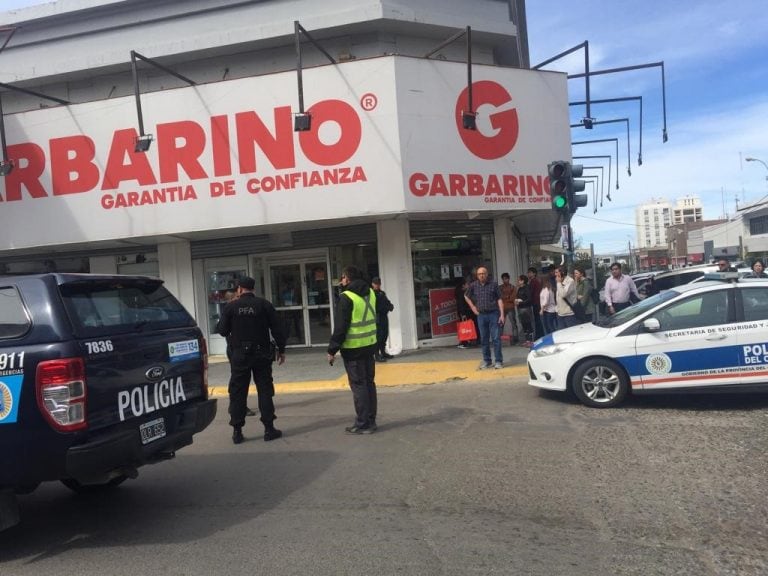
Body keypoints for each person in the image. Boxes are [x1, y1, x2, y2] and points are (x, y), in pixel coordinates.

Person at [216, 277, 286, 444]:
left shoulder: (231, 307)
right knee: (265, 390)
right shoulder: (264, 305)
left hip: (239, 355)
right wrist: (281, 350)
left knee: (238, 392)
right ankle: (269, 429)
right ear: (253, 289)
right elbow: (278, 329)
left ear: (240, 289)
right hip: (262, 354)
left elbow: (222, 330)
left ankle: (237, 431)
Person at [327, 265, 379, 434]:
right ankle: (371, 420)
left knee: (359, 386)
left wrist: (332, 349)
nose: (341, 281)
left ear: (347, 279)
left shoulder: (346, 297)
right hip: (370, 346)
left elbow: (341, 327)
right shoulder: (370, 292)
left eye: (342, 278)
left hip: (353, 349)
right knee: (369, 383)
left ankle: (363, 423)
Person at [465, 266, 504, 369]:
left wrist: (502, 314)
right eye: (479, 274)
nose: (481, 275)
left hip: (493, 314)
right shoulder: (474, 285)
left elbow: (499, 299)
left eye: (483, 273)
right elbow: (466, 296)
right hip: (481, 315)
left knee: (496, 338)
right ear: (477, 276)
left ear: (487, 274)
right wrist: (473, 307)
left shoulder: (494, 284)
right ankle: (487, 361)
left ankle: (498, 361)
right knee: (484, 339)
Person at [371, 276, 395, 361]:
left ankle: (383, 352)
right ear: (372, 284)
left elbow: (387, 302)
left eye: (379, 284)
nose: (378, 285)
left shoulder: (382, 293)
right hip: (377, 317)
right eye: (376, 284)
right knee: (379, 336)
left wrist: (390, 306)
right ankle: (377, 355)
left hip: (384, 316)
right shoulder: (371, 294)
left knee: (384, 334)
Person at [455, 277, 477, 349]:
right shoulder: (462, 293)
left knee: (466, 326)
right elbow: (461, 304)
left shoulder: (462, 292)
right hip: (465, 312)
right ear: (463, 285)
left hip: (465, 312)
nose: (468, 285)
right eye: (467, 284)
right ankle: (465, 341)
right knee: (466, 327)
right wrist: (463, 313)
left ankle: (466, 341)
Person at [499, 272, 519, 344]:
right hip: (503, 307)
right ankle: (499, 338)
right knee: (501, 323)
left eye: (506, 279)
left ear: (509, 279)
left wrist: (505, 297)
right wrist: (507, 297)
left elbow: (513, 297)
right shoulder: (500, 287)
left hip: (510, 307)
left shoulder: (512, 287)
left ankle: (515, 338)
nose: (505, 280)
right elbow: (499, 297)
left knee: (513, 323)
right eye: (503, 279)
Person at [515, 274, 534, 346]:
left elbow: (529, 299)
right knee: (524, 324)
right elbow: (517, 296)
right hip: (520, 308)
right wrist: (516, 301)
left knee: (528, 324)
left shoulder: (527, 288)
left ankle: (531, 340)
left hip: (526, 308)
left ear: (523, 281)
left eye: (519, 280)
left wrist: (521, 302)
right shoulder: (519, 288)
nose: (518, 281)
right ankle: (527, 340)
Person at [526, 267, 543, 340]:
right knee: (537, 320)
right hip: (537, 302)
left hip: (536, 303)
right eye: (528, 272)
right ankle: (539, 334)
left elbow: (531, 292)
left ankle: (539, 335)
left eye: (530, 272)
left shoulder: (534, 281)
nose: (528, 274)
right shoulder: (534, 281)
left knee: (537, 320)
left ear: (534, 273)